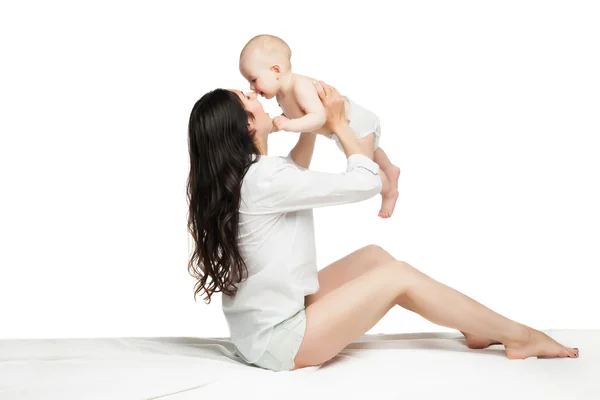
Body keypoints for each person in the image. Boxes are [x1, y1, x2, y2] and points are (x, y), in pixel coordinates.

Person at [186, 80, 579, 372]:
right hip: (279, 343)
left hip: (260, 333)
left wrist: (310, 121)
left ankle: (474, 328)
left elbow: (295, 172)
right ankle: (519, 336)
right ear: (249, 126)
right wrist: (339, 125)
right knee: (398, 277)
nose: (258, 94)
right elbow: (367, 181)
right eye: (249, 99)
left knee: (374, 257)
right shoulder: (266, 179)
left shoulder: (253, 177)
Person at [239, 34, 401, 218]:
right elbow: (295, 114)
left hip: (354, 122)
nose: (252, 88)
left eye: (253, 79)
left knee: (367, 167)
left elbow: (318, 117)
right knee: (372, 149)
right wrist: (278, 124)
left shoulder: (299, 86)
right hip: (341, 130)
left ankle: (388, 191)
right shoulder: (281, 96)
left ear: (276, 70)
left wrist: (291, 124)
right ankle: (390, 168)